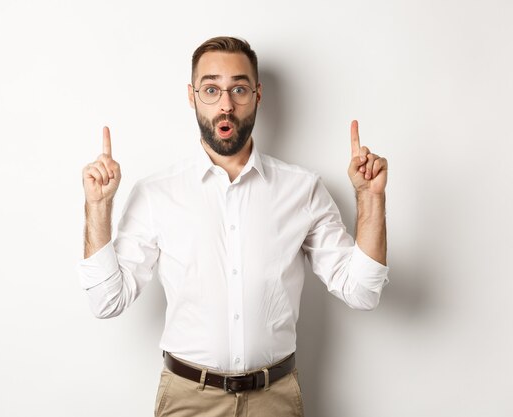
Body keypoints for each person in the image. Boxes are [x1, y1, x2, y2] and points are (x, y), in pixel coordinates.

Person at [77, 36, 389, 417]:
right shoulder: (156, 193)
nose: (226, 104)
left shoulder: (302, 189)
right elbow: (106, 301)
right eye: (211, 89)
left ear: (257, 94)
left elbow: (361, 292)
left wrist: (371, 199)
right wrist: (98, 207)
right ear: (192, 96)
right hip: (188, 400)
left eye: (238, 89)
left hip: (275, 399)